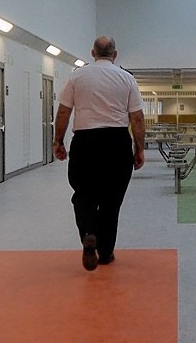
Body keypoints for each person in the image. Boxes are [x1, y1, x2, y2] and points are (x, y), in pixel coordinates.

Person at [53, 36, 146, 271]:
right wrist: (139, 148)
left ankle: (88, 232)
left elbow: (64, 112)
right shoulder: (127, 79)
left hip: (85, 143)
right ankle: (105, 253)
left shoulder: (77, 76)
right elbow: (137, 117)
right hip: (116, 143)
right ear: (114, 55)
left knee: (83, 194)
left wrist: (58, 141)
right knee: (111, 201)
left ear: (92, 53)